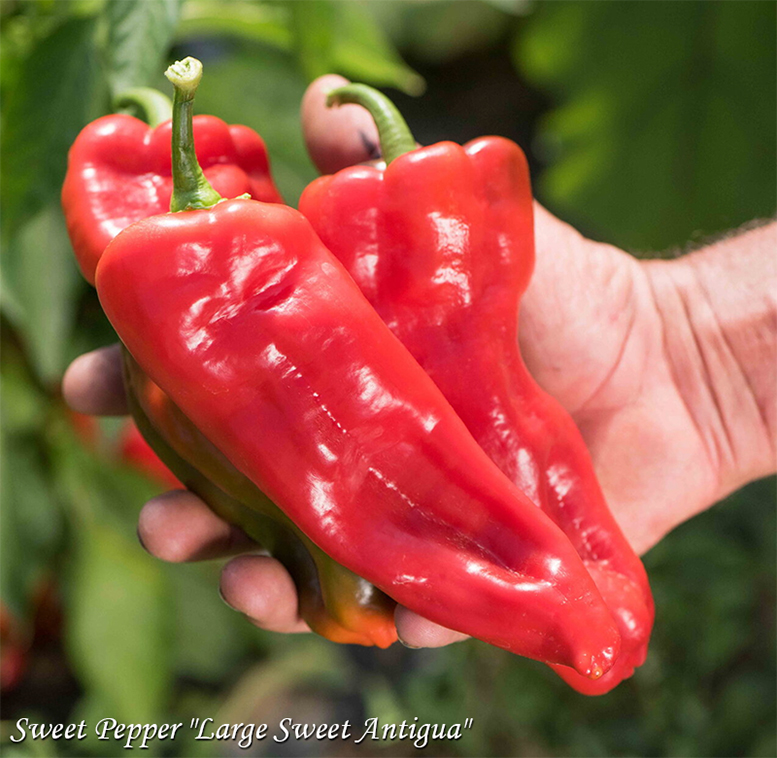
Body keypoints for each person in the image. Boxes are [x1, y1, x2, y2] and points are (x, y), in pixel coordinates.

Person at [62, 75, 777, 649]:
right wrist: (702, 359)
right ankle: (562, 611)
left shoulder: (237, 253)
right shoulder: (192, 269)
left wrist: (698, 355)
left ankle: (568, 612)